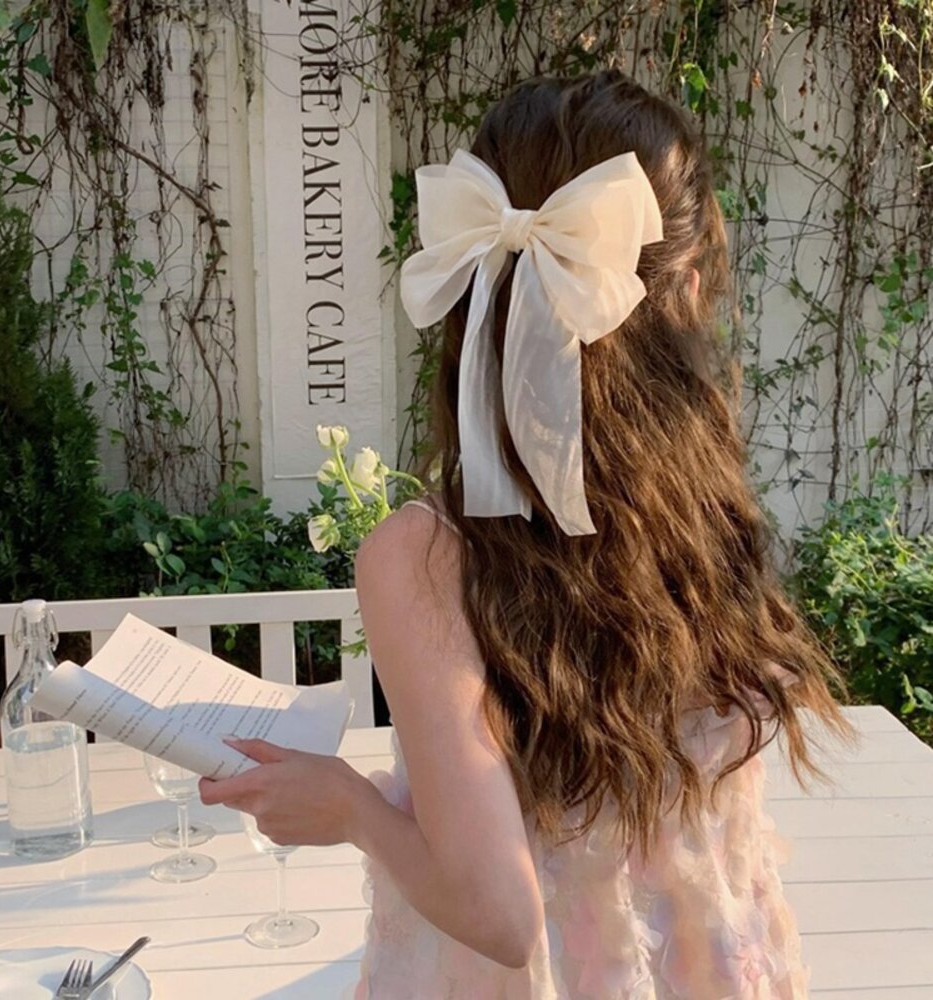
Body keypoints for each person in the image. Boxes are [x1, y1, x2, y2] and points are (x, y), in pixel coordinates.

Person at [200, 70, 858, 999]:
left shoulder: (427, 558)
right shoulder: (702, 513)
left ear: (471, 297)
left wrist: (347, 807)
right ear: (687, 292)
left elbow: (499, 916)